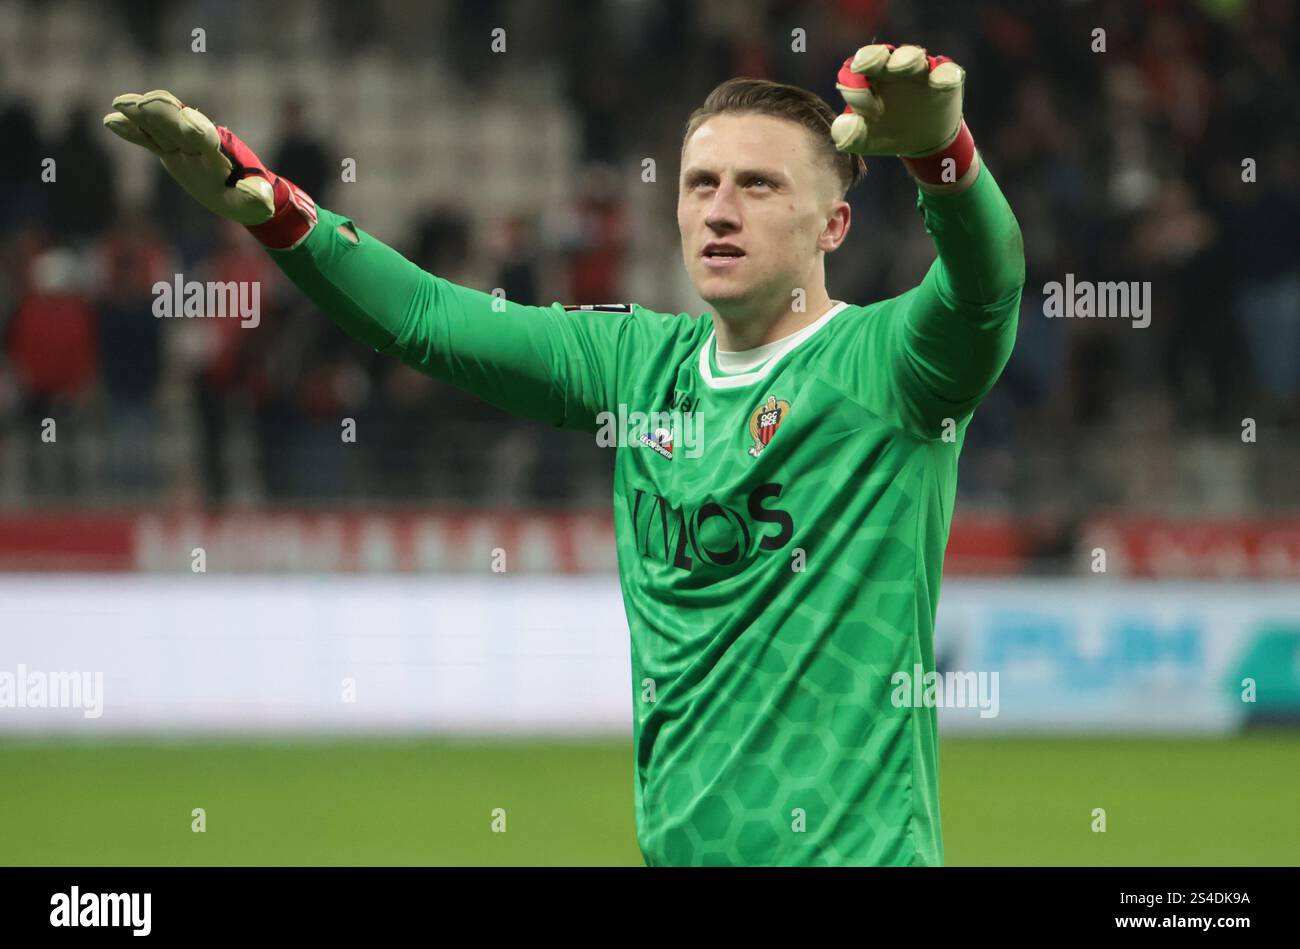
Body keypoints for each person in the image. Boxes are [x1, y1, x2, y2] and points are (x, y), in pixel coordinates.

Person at [103, 42, 1024, 865]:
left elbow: (987, 290)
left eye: (759, 184)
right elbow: (428, 319)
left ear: (833, 226)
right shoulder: (638, 366)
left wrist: (946, 166)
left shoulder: (893, 370)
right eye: (700, 183)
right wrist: (286, 223)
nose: (719, 209)